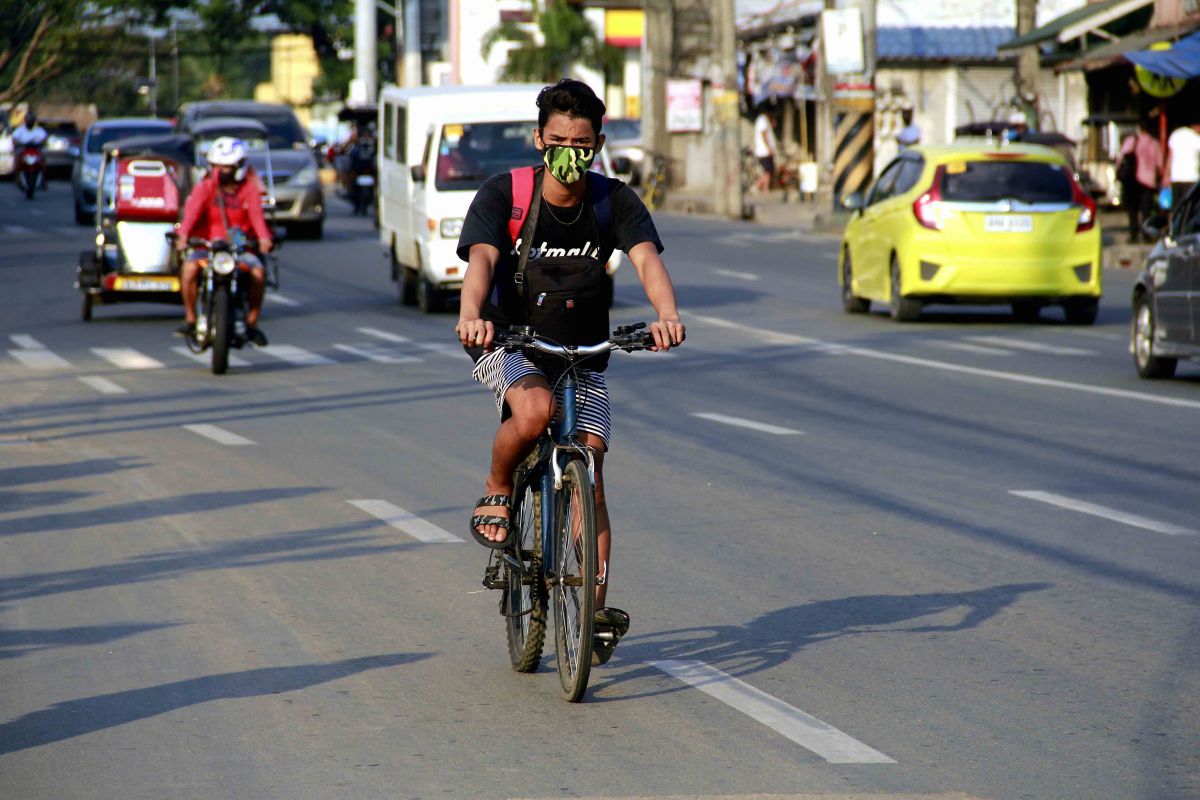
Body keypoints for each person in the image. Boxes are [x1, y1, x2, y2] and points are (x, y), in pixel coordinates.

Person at [455, 79, 685, 637]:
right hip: (510, 343)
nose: (570, 154)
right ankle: (499, 485)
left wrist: (667, 314)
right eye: (558, 140)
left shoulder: (614, 200)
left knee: (593, 466)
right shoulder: (503, 195)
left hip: (584, 354)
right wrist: (472, 313)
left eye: (581, 144)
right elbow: (482, 259)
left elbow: (647, 260)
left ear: (598, 144)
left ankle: (592, 612)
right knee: (532, 414)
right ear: (539, 140)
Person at [175, 137, 273, 345]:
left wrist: (264, 238)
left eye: (227, 167)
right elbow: (192, 212)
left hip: (240, 250)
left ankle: (252, 323)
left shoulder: (249, 189)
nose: (222, 172)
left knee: (258, 273)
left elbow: (257, 216)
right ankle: (191, 319)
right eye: (218, 166)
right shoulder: (205, 187)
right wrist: (184, 235)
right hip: (206, 247)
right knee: (189, 269)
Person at [1118, 120, 1163, 243]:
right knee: (1146, 210)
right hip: (1148, 181)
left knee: (1132, 210)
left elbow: (1120, 159)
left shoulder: (1131, 141)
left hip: (1132, 181)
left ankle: (1133, 235)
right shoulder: (1154, 143)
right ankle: (1147, 234)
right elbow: (1160, 164)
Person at [1165, 120, 1200, 213]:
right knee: (1190, 208)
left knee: (1176, 206)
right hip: (1192, 178)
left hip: (1176, 177)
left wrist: (1166, 175)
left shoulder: (1175, 134)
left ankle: (1174, 226)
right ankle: (1186, 227)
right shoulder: (1196, 138)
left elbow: (1170, 157)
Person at [752, 107, 778, 193]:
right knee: (767, 171)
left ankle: (765, 189)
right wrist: (769, 148)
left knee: (768, 171)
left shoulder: (764, 120)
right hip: (764, 151)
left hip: (764, 151)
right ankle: (757, 186)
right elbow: (764, 135)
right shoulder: (762, 120)